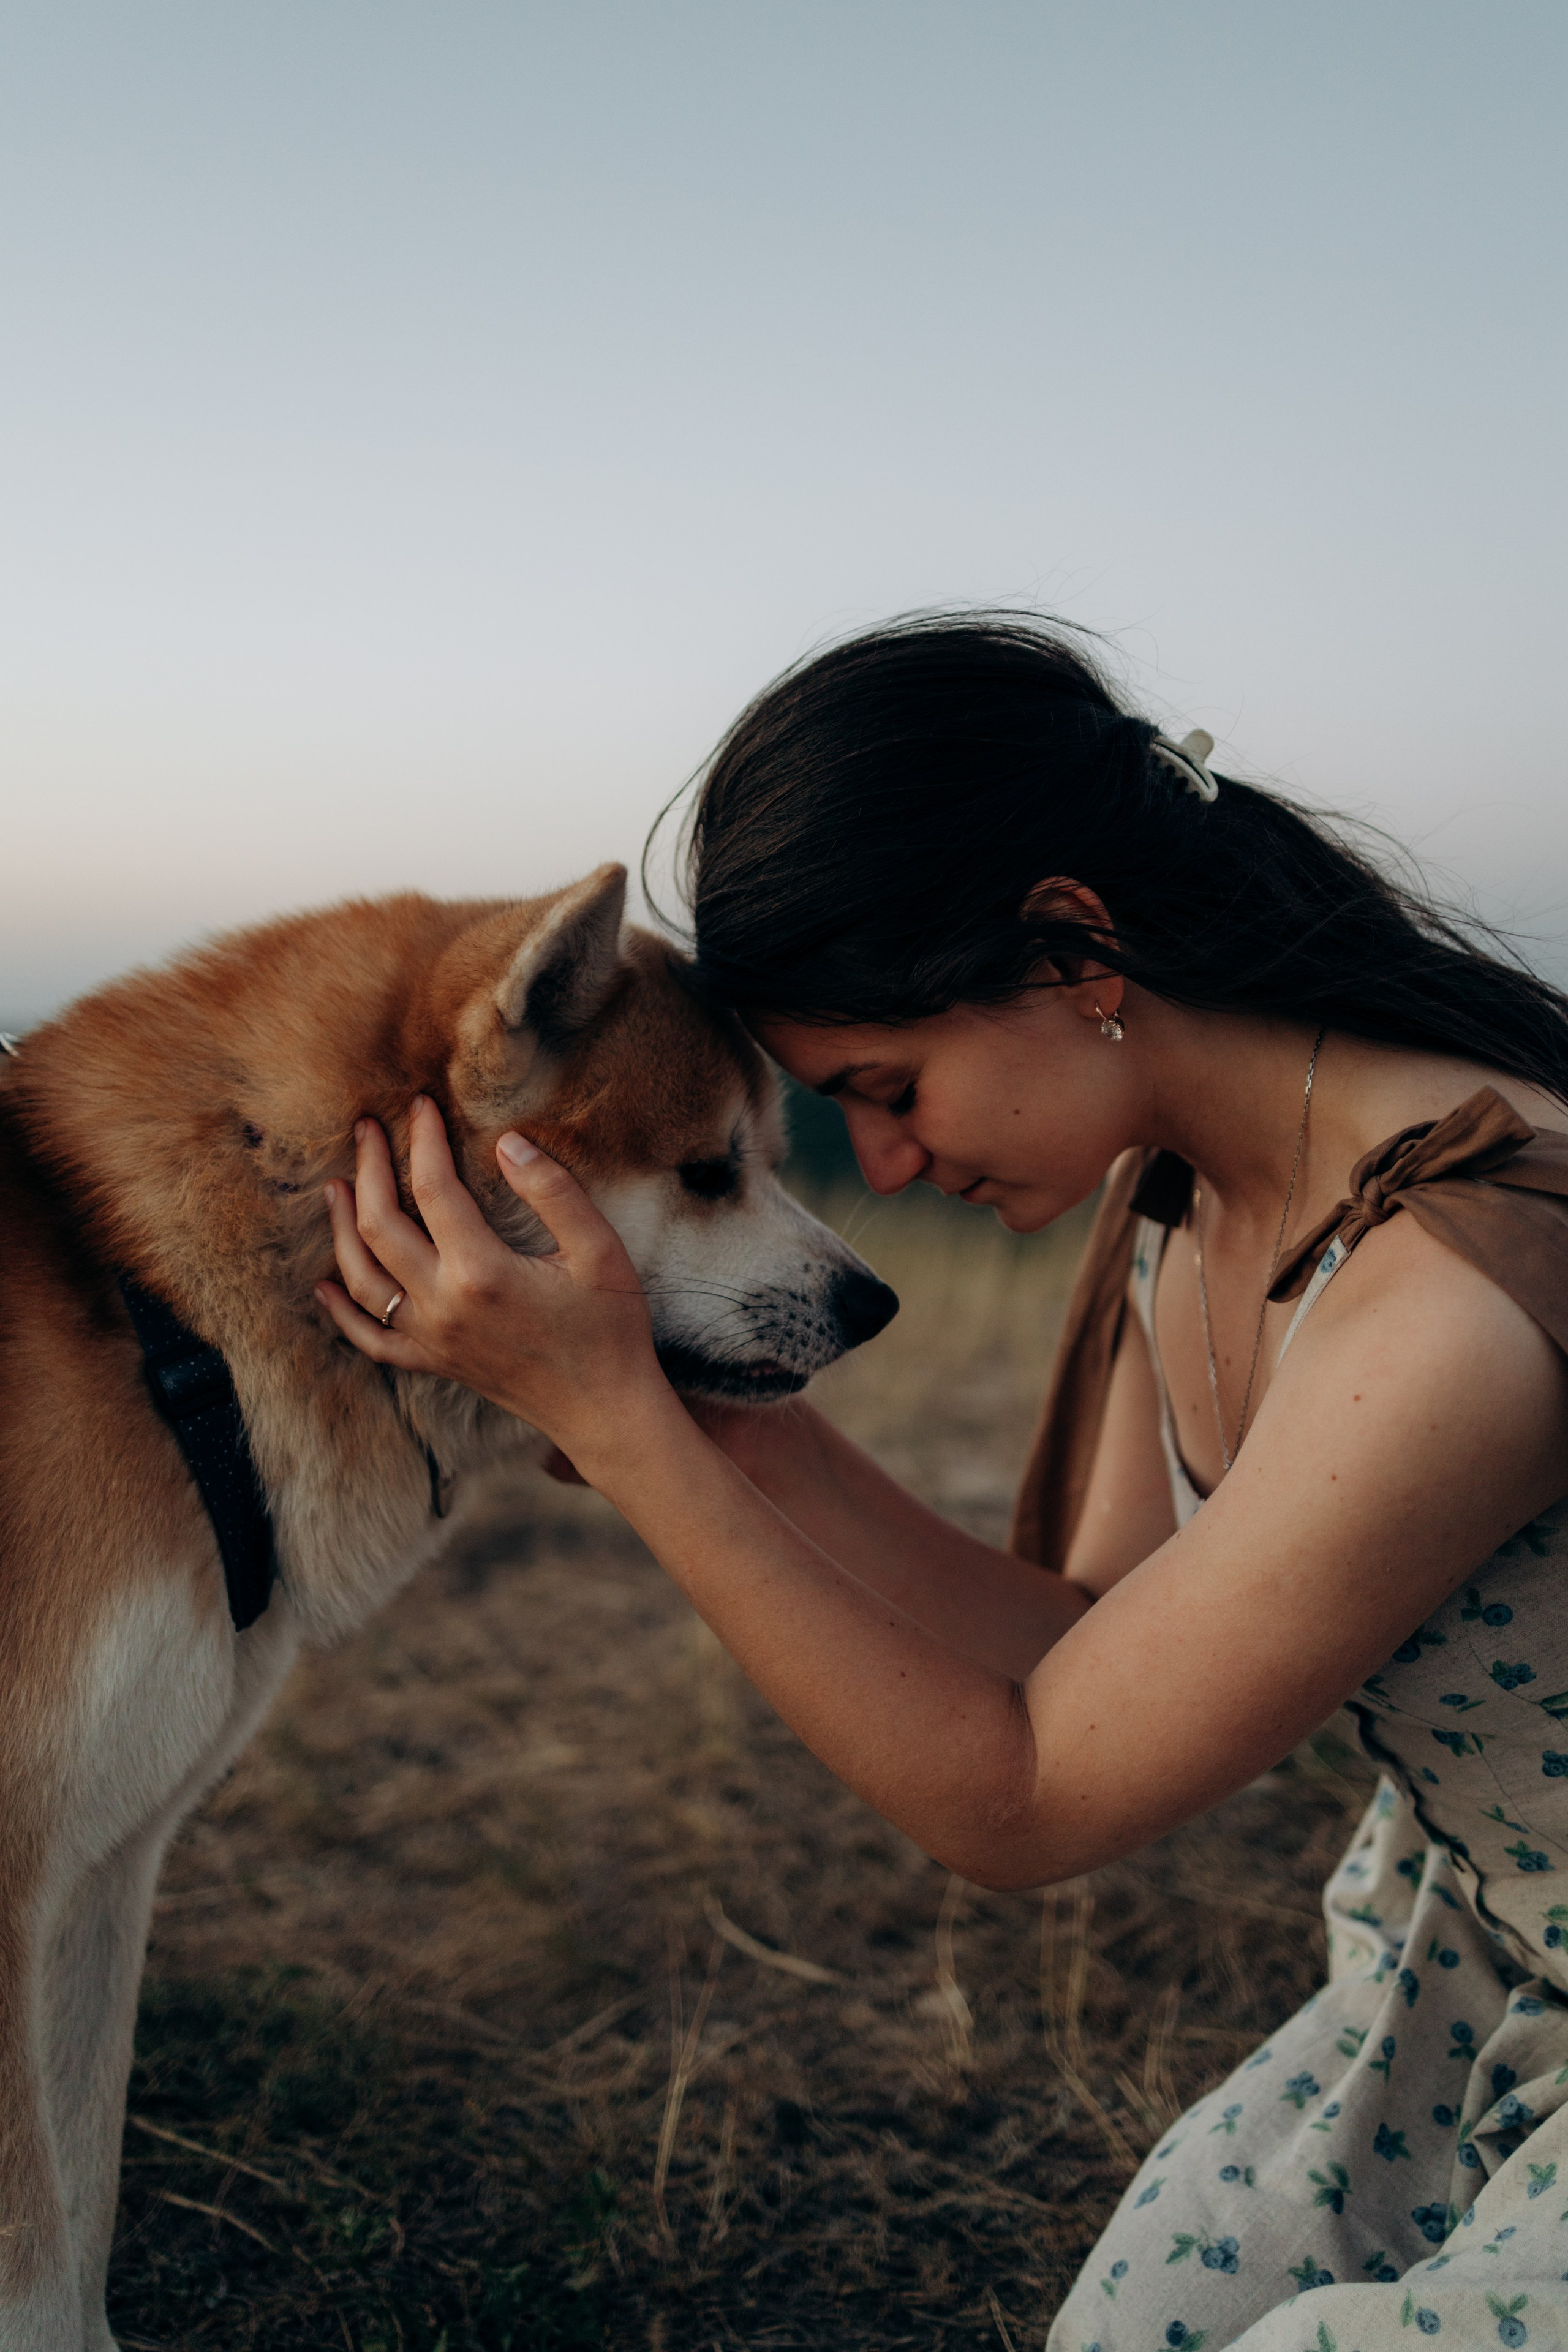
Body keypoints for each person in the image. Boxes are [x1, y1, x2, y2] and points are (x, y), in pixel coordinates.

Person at [318, 615, 1568, 2348]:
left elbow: (1028, 1800)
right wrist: (738, 1429)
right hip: (1466, 1975)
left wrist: (622, 1431)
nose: (886, 1165)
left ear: (1074, 947)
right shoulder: (1182, 1194)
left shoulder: (1455, 1293)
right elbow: (1083, 1639)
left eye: (889, 1089)